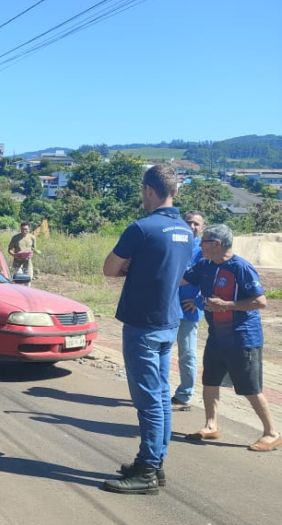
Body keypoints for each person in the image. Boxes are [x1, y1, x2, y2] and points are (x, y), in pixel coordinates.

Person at [101, 164, 192, 495]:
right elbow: (179, 273)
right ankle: (155, 463)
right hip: (169, 321)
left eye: (143, 191)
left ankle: (148, 470)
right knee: (161, 398)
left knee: (148, 400)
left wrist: (131, 267)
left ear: (149, 190)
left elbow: (110, 269)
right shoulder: (186, 230)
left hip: (143, 324)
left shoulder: (141, 229)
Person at [182, 224, 279, 451]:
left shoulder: (241, 268)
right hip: (217, 335)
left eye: (203, 241)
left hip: (242, 338)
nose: (200, 245)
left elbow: (260, 302)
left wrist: (227, 305)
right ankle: (211, 425)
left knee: (250, 387)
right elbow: (182, 279)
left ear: (216, 244)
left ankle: (271, 432)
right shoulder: (205, 265)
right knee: (210, 381)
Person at [173, 211, 205, 407]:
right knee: (162, 350)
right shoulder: (175, 243)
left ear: (202, 228)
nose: (192, 226)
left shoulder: (204, 250)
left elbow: (211, 279)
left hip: (188, 311)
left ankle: (184, 394)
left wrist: (199, 301)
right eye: (189, 222)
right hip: (168, 308)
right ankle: (158, 391)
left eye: (196, 224)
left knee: (187, 353)